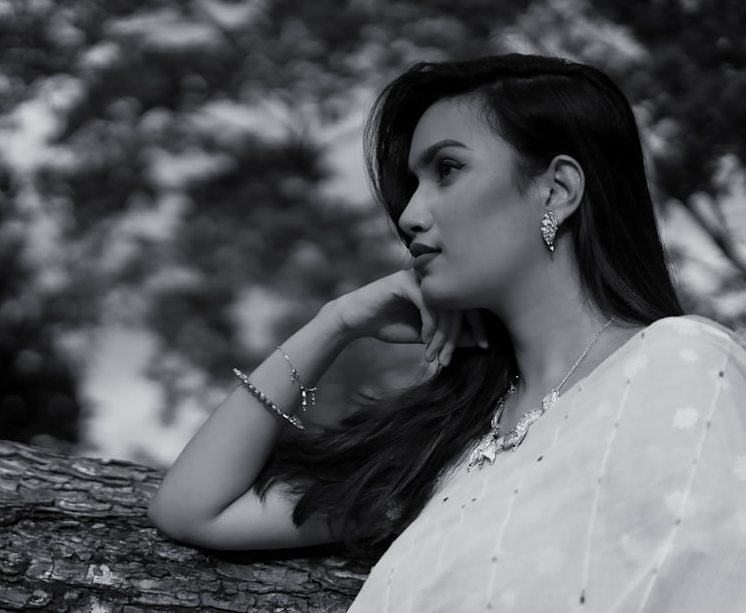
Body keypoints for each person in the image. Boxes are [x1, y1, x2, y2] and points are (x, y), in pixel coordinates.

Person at [148, 53, 746, 611]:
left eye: (448, 169)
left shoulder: (680, 366)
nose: (409, 216)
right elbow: (195, 509)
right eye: (412, 183)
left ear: (557, 189)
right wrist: (332, 325)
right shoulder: (441, 445)